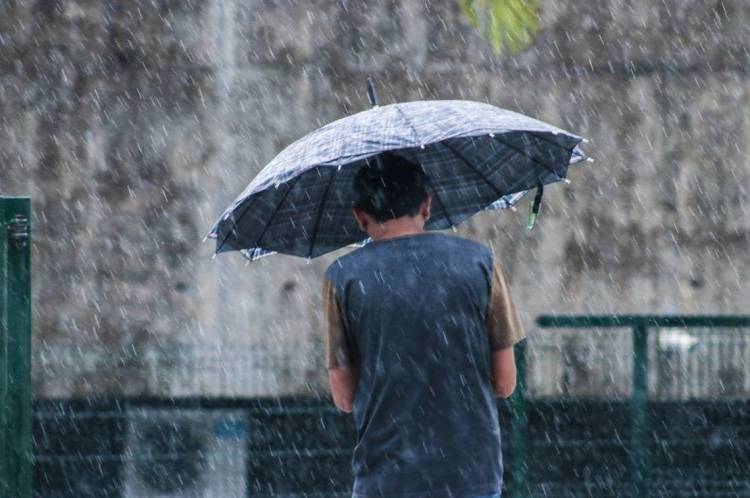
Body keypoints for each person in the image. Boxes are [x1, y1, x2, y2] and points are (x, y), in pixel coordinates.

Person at [322, 151, 526, 498]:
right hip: (471, 473)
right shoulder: (480, 263)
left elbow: (344, 397)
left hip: (385, 479)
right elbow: (505, 382)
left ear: (359, 217)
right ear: (427, 205)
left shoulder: (343, 278)